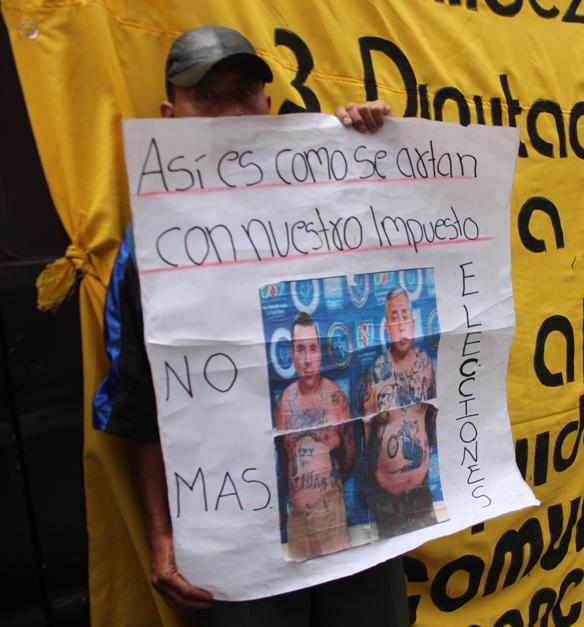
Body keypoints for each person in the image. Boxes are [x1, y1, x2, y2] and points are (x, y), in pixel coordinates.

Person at [93, 25, 407, 626]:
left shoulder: (334, 195)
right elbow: (139, 402)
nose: (231, 113)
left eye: (244, 93)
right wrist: (160, 537)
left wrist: (375, 151)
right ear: (170, 114)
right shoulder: (153, 248)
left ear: (268, 103)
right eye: (206, 97)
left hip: (356, 529)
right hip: (236, 534)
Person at [275, 313, 355, 560]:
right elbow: (284, 459)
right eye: (301, 349)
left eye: (312, 348)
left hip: (331, 512)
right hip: (298, 520)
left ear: (320, 352)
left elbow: (350, 454)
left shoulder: (337, 398)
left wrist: (328, 488)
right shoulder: (284, 404)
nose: (308, 359)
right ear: (292, 354)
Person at [363, 288, 441, 538]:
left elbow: (432, 417)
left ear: (413, 322)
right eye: (394, 317)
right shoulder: (375, 374)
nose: (401, 324)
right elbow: (367, 434)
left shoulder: (426, 366)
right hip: (387, 500)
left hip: (421, 491)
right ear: (387, 326)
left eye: (404, 315)